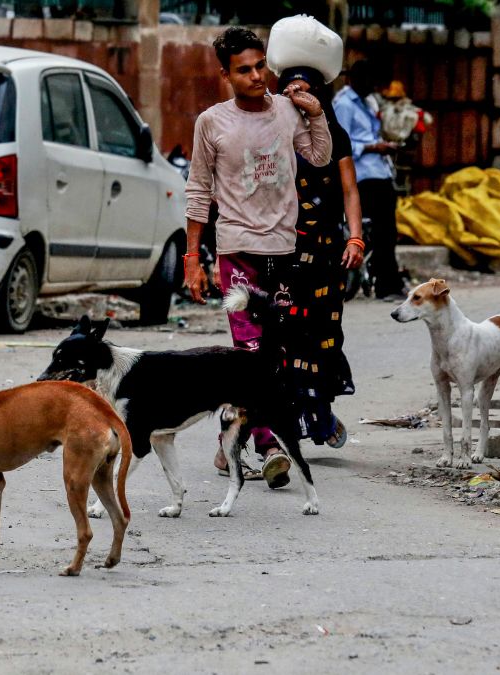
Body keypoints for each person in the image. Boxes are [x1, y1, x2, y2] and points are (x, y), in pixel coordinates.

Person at [183, 27, 332, 489]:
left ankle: (229, 439)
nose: (255, 76)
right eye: (244, 69)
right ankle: (269, 446)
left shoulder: (286, 111)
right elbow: (198, 191)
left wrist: (315, 113)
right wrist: (192, 257)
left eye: (260, 65)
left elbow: (319, 156)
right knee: (249, 352)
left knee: (277, 352)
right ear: (225, 74)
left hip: (283, 251)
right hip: (237, 251)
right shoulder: (211, 122)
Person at [277, 65, 364, 448]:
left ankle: (320, 411)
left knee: (323, 334)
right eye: (288, 91)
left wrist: (355, 238)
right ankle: (287, 419)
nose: (295, 97)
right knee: (286, 334)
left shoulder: (335, 134)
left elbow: (349, 191)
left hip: (327, 251)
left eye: (303, 90)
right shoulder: (272, 132)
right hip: (282, 249)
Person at [333, 60, 407, 302]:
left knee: (387, 232)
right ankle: (387, 285)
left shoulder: (366, 102)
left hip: (378, 173)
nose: (372, 86)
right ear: (354, 80)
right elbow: (340, 144)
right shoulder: (344, 104)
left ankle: (387, 280)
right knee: (384, 231)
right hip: (363, 177)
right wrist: (373, 147)